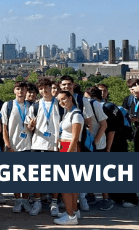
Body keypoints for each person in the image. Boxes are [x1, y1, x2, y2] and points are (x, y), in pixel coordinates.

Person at [0, 81, 39, 216]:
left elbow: (32, 127)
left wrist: (32, 127)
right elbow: (4, 127)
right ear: (14, 91)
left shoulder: (32, 106)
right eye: (18, 89)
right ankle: (18, 200)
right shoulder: (8, 105)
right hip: (13, 145)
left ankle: (25, 199)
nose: (21, 91)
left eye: (23, 89)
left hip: (28, 145)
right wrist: (7, 145)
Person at [25, 78, 61, 216]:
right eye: (40, 88)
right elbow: (28, 126)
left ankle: (54, 203)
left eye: (46, 87)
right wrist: (31, 126)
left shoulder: (59, 103)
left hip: (54, 144)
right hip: (38, 143)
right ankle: (38, 201)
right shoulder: (35, 105)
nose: (43, 90)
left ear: (51, 88)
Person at [53, 90, 84, 225]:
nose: (61, 102)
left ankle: (71, 216)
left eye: (64, 99)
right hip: (65, 148)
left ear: (70, 98)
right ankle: (73, 211)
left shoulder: (76, 115)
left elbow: (75, 138)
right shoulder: (68, 113)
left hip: (69, 150)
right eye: (59, 100)